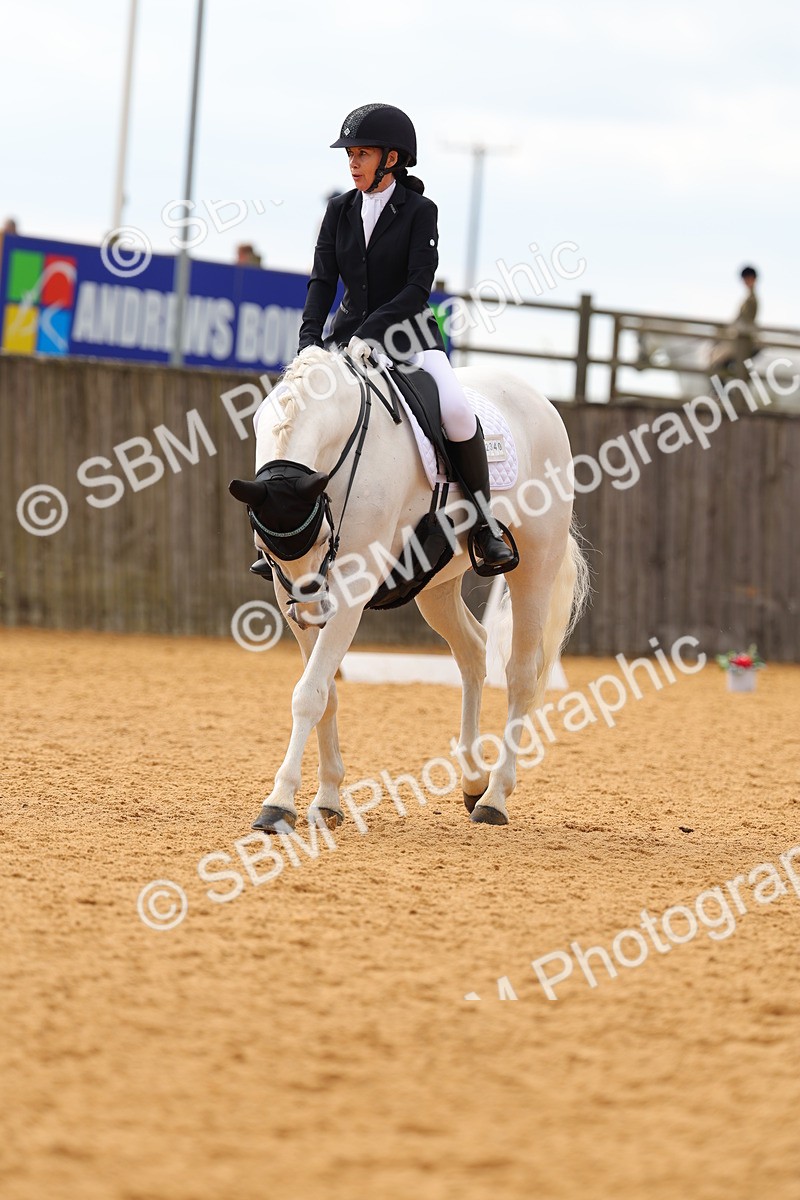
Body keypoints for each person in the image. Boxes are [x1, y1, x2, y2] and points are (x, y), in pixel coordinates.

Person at [296, 102, 513, 571]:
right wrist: (309, 342)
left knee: (455, 410)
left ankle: (484, 525)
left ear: (390, 159)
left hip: (410, 337)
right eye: (349, 154)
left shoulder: (419, 212)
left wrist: (374, 333)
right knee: (299, 410)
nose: (352, 162)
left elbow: (419, 287)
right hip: (345, 342)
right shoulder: (339, 211)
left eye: (363, 153)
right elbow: (322, 282)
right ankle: (290, 530)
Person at [709, 266, 760, 377]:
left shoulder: (751, 298)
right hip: (741, 334)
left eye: (748, 278)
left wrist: (729, 331)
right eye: (745, 279)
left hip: (743, 337)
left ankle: (719, 392)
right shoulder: (749, 297)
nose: (745, 281)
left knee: (717, 360)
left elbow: (745, 321)